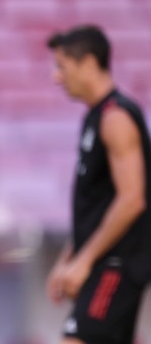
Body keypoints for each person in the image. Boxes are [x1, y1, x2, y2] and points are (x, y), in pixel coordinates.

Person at [45, 25, 151, 344]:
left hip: (116, 265)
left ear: (89, 63)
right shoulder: (95, 118)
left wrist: (84, 260)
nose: (56, 77)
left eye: (62, 66)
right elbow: (98, 204)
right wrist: (68, 259)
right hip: (106, 263)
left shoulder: (115, 118)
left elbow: (132, 199)